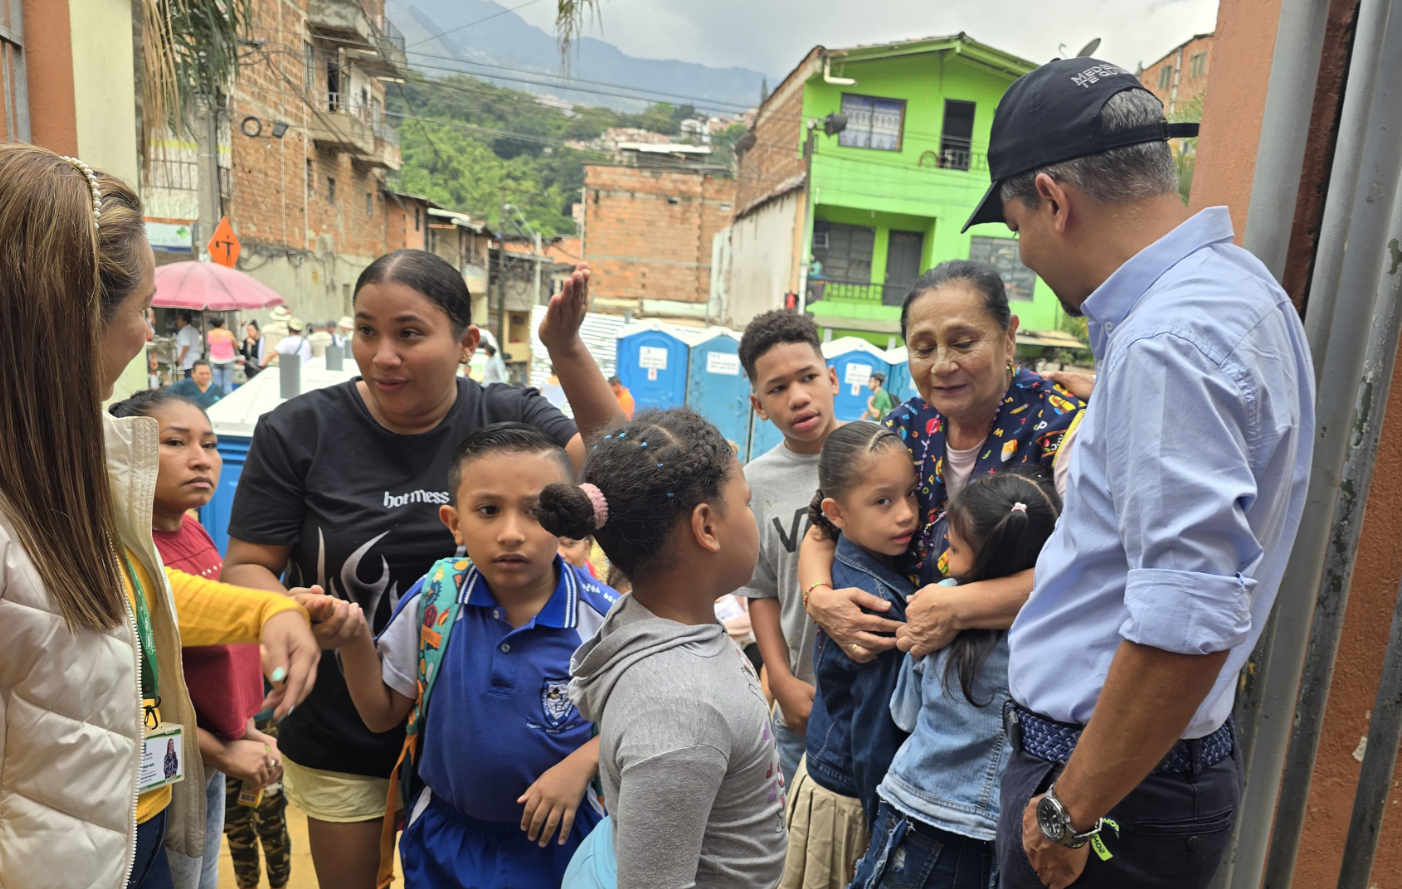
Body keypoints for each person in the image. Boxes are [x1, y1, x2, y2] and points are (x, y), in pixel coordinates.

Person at [960, 61, 1314, 889]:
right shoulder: (1239, 291)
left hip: (1111, 792)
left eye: (1017, 226)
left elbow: (1186, 611)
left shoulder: (1169, 342)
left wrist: (1067, 811)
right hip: (1144, 779)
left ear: (1053, 199)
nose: (1025, 253)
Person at [220, 249, 623, 889]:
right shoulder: (297, 430)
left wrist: (565, 348)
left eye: (409, 333)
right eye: (366, 330)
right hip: (345, 728)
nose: (383, 355)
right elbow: (245, 566)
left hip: (495, 754)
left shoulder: (507, 415)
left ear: (466, 343)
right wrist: (285, 612)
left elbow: (617, 468)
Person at [0, 143, 333, 889]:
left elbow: (125, 605)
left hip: (132, 829)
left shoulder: (64, 471)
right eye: (143, 308)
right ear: (67, 317)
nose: (147, 334)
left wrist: (262, 611)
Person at [340, 424, 619, 887]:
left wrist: (584, 762)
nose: (511, 533)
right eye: (488, 510)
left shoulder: (604, 620)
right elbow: (380, 715)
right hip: (444, 845)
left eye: (536, 511)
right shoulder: (434, 599)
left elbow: (639, 724)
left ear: (567, 521)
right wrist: (351, 640)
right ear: (454, 522)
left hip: (564, 847)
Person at [538, 408, 787, 889]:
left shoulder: (663, 624)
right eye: (747, 502)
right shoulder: (681, 713)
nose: (755, 516)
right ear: (707, 527)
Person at [801, 261, 1085, 668]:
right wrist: (820, 598)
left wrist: (959, 606)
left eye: (964, 342)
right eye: (923, 347)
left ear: (1008, 337)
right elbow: (826, 524)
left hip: (1008, 684)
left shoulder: (1063, 429)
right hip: (901, 678)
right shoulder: (903, 425)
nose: (942, 365)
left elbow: (1092, 568)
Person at [109, 389, 292, 889]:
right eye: (176, 442)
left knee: (204, 874)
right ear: (126, 452)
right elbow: (136, 695)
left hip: (214, 752)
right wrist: (221, 751)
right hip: (169, 768)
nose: (202, 459)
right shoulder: (131, 554)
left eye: (210, 444)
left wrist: (244, 730)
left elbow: (217, 656)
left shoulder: (194, 532)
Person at [852, 468, 1060, 889]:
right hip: (997, 829)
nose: (946, 544)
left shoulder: (938, 606)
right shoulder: (1054, 627)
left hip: (914, 808)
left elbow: (906, 714)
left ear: (983, 557)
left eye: (956, 543)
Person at [783, 422, 919, 889]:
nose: (906, 515)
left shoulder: (853, 558)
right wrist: (885, 824)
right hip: (852, 800)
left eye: (911, 495)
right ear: (835, 512)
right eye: (883, 501)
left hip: (826, 777)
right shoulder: (875, 604)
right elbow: (875, 734)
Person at [735, 310, 845, 787]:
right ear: (759, 405)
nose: (798, 396)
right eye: (778, 388)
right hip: (802, 702)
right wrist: (779, 680)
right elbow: (761, 591)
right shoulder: (753, 483)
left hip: (880, 700)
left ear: (832, 378)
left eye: (808, 377)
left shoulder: (881, 451)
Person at [206, 318, 237, 391]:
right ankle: (227, 400)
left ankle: (218, 399)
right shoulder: (228, 333)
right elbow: (235, 345)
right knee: (227, 383)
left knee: (217, 383)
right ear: (222, 325)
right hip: (228, 360)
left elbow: (209, 344)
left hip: (214, 360)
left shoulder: (210, 333)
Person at [175, 311, 203, 379]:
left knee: (189, 379)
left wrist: (180, 358)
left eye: (179, 319)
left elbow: (186, 346)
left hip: (188, 359)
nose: (178, 321)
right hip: (195, 358)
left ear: (185, 321)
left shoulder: (184, 331)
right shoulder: (194, 330)